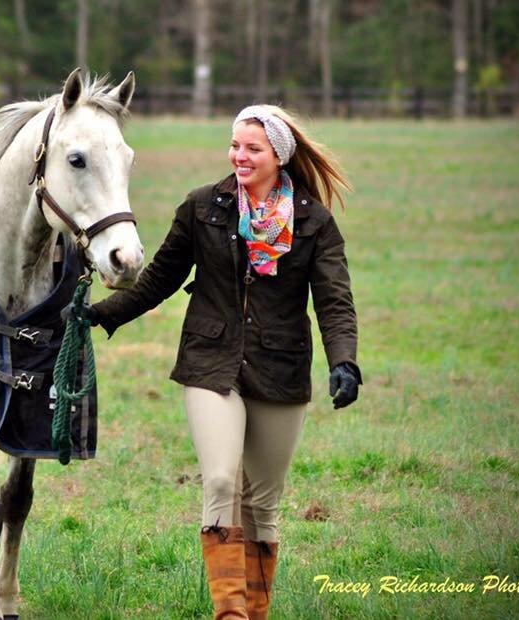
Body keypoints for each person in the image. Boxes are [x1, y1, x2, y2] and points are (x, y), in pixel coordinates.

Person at [69, 104, 361, 619]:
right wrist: (99, 314)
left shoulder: (314, 221)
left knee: (263, 505)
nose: (240, 156)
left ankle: (254, 612)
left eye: (253, 148)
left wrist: (345, 361)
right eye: (235, 146)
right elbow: (158, 279)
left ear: (279, 156)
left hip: (280, 369)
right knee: (223, 482)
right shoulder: (204, 207)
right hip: (210, 363)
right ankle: (229, 614)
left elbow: (334, 299)